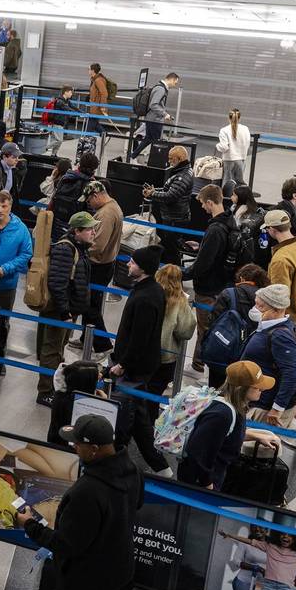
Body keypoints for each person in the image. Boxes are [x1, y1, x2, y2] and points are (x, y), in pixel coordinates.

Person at [17, 414, 143, 590]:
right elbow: (136, 504)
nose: (74, 446)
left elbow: (66, 545)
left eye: (78, 443)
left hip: (86, 586)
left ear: (94, 448)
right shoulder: (133, 472)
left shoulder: (87, 491)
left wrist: (29, 524)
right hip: (120, 577)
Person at [109, 245, 171, 475]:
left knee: (132, 417)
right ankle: (160, 466)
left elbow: (140, 337)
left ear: (143, 268)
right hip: (137, 364)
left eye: (133, 262)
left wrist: (122, 364)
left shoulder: (146, 297)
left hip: (134, 367)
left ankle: (130, 463)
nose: (128, 264)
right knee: (137, 417)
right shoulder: (149, 289)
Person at [175, 361, 280, 489]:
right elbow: (198, 452)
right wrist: (207, 483)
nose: (262, 389)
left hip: (212, 476)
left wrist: (257, 437)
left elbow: (225, 435)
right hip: (199, 483)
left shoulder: (233, 407)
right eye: (257, 386)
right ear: (242, 388)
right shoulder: (222, 414)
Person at [35, 212, 96, 404]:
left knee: (59, 348)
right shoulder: (65, 249)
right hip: (59, 310)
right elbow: (57, 282)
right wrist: (65, 312)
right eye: (89, 229)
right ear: (77, 231)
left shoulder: (79, 247)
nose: (93, 232)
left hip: (69, 308)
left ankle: (54, 386)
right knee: (51, 350)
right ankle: (45, 392)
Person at [183, 184, 236, 371]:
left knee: (204, 327)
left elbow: (203, 265)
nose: (203, 208)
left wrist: (181, 274)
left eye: (203, 204)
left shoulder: (215, 229)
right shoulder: (229, 221)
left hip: (208, 287)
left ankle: (198, 364)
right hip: (221, 284)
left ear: (210, 202)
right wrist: (201, 247)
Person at [241, 283, 296, 429]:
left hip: (264, 408)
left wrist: (277, 408)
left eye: (261, 307)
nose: (255, 310)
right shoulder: (270, 327)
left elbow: (292, 373)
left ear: (277, 309)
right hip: (257, 401)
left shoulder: (281, 336)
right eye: (256, 304)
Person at [204, 263, 270, 387]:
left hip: (223, 352)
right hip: (249, 356)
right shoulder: (266, 300)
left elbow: (213, 322)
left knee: (216, 390)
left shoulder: (229, 294)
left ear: (242, 278)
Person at [81, 180, 122, 353]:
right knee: (91, 305)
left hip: (98, 266)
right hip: (105, 264)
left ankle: (102, 345)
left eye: (89, 200)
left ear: (96, 195)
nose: (88, 203)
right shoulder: (112, 207)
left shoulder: (105, 214)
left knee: (91, 307)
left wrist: (80, 253)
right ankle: (86, 338)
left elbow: (98, 245)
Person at [146, 264, 196, 399]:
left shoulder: (146, 293)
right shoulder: (180, 302)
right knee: (153, 396)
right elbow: (185, 331)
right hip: (165, 357)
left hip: (142, 353)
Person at [141, 144, 193, 265]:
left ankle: (174, 275)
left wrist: (152, 194)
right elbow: (169, 190)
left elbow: (170, 196)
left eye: (171, 158)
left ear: (179, 159)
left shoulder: (182, 176)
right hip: (174, 217)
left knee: (172, 251)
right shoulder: (182, 171)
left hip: (175, 218)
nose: (168, 161)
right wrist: (154, 191)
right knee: (169, 248)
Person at [263, 209, 296, 326]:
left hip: (287, 319)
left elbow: (278, 298)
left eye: (267, 228)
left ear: (272, 229)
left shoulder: (280, 259)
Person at [130, 72, 179, 160]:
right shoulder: (161, 89)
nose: (175, 85)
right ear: (172, 79)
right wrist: (165, 114)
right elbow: (153, 104)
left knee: (149, 139)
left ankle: (133, 156)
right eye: (175, 82)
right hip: (154, 120)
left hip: (151, 119)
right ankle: (155, 162)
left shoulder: (159, 87)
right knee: (156, 142)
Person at [216, 108, 251, 190]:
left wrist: (217, 146)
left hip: (229, 160)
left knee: (227, 183)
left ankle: (226, 201)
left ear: (229, 118)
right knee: (240, 183)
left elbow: (224, 147)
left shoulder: (224, 130)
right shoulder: (245, 129)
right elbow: (247, 144)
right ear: (239, 118)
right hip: (241, 159)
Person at [43, 85, 77, 156]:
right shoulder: (60, 101)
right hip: (56, 123)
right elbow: (68, 109)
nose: (71, 94)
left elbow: (74, 107)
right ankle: (45, 147)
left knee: (57, 140)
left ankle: (54, 154)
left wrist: (83, 113)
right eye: (70, 92)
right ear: (65, 92)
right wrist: (77, 114)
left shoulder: (66, 101)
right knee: (59, 140)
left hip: (60, 123)